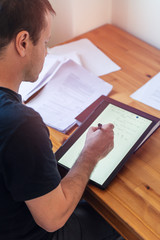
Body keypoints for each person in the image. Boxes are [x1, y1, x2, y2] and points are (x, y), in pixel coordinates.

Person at [0, 0, 121, 239]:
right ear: (23, 42)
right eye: (46, 42)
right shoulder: (20, 123)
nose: (47, 51)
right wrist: (90, 154)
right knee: (116, 217)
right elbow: (53, 219)